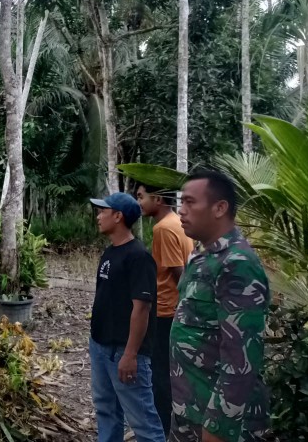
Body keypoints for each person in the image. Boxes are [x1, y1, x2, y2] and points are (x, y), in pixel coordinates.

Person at [171, 171, 270, 442]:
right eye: (181, 202)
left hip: (221, 422)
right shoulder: (201, 256)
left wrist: (218, 427)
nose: (181, 210)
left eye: (190, 202)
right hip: (190, 409)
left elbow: (242, 358)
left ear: (219, 208)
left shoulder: (237, 263)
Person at [89, 192, 165, 442]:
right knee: (107, 411)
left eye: (103, 211)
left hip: (124, 351)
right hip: (101, 346)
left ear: (118, 216)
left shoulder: (138, 257)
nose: (99, 216)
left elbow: (142, 308)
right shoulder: (111, 252)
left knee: (142, 421)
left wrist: (131, 354)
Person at [136, 184, 194, 438]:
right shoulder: (177, 222)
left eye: (141, 197)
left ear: (157, 199)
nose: (138, 202)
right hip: (175, 309)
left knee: (160, 373)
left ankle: (160, 428)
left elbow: (177, 272)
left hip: (165, 312)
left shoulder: (163, 229)